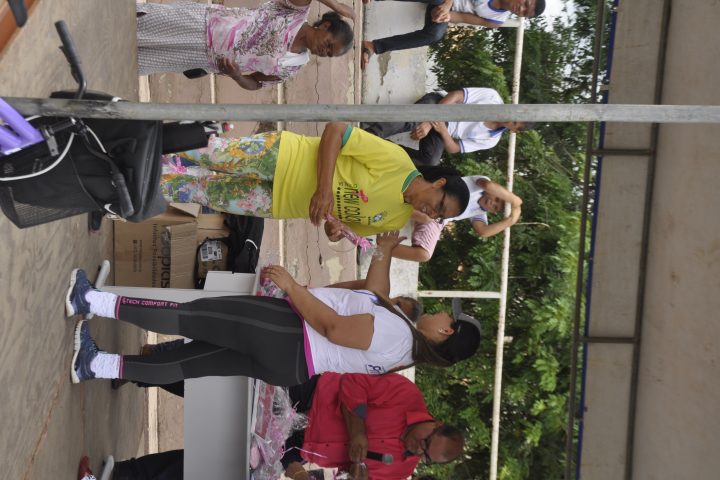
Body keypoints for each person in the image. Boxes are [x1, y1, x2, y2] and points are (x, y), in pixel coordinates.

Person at [66, 231, 482, 388]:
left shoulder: (398, 336)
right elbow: (376, 293)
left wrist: (293, 288)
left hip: (290, 335)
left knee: (190, 317)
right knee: (193, 362)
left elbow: (335, 328)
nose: (443, 313)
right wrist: (384, 251)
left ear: (446, 332)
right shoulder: (404, 345)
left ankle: (90, 300)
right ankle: (94, 366)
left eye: (449, 316)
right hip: (292, 359)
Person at [82, 373, 464, 480]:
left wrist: (354, 473)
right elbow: (352, 385)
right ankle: (133, 369)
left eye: (425, 457)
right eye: (425, 442)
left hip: (300, 446)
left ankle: (121, 475)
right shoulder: (406, 394)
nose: (417, 450)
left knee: (221, 466)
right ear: (437, 423)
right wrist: (358, 430)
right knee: (220, 391)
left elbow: (352, 471)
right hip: (306, 395)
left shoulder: (402, 468)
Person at [159, 122, 471, 241]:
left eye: (439, 216)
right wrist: (323, 189)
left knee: (199, 192)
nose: (432, 213)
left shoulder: (395, 219)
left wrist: (334, 230)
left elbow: (339, 230)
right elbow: (336, 130)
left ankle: (136, 183)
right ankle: (144, 135)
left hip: (277, 203)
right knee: (209, 153)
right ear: (438, 184)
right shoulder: (397, 162)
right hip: (282, 156)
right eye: (439, 206)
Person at [137, 0, 354, 89]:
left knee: (136, 60)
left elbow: (256, 83)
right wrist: (337, 6)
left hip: (203, 58)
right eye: (329, 45)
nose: (324, 52)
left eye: (329, 54)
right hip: (201, 23)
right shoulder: (295, 12)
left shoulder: (293, 66)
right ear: (325, 26)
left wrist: (237, 76)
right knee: (135, 26)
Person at [363, 88, 534, 166]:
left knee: (431, 160)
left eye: (514, 123)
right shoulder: (492, 97)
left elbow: (454, 148)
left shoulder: (491, 140)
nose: (509, 119)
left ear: (514, 131)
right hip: (440, 104)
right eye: (514, 114)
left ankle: (382, 147)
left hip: (442, 131)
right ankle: (368, 136)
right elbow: (456, 95)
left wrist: (442, 131)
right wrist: (430, 122)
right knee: (415, 119)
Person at [361, 0, 546, 68]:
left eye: (524, 12)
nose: (520, 8)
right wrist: (448, 3)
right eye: (525, 3)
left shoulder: (496, 20)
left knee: (434, 35)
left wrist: (445, 15)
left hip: (446, 8)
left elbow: (463, 17)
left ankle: (374, 46)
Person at [393, 175, 522, 262]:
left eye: (496, 207)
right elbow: (488, 186)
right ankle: (394, 207)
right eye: (497, 199)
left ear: (493, 212)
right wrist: (514, 200)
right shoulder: (480, 184)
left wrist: (510, 220)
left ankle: (383, 248)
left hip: (437, 219)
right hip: (436, 199)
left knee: (423, 255)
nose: (493, 203)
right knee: (425, 217)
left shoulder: (479, 213)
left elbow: (483, 231)